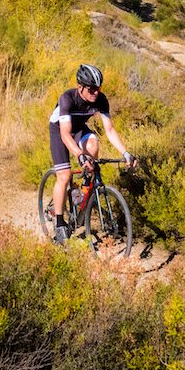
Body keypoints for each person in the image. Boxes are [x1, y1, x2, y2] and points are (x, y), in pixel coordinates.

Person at [49, 63, 136, 243]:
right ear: (80, 87)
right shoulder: (68, 98)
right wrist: (79, 155)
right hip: (60, 130)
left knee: (94, 143)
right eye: (91, 89)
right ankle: (59, 224)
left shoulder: (101, 100)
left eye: (98, 88)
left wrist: (126, 153)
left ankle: (82, 190)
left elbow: (109, 130)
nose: (95, 93)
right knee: (64, 176)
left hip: (79, 127)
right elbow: (65, 133)